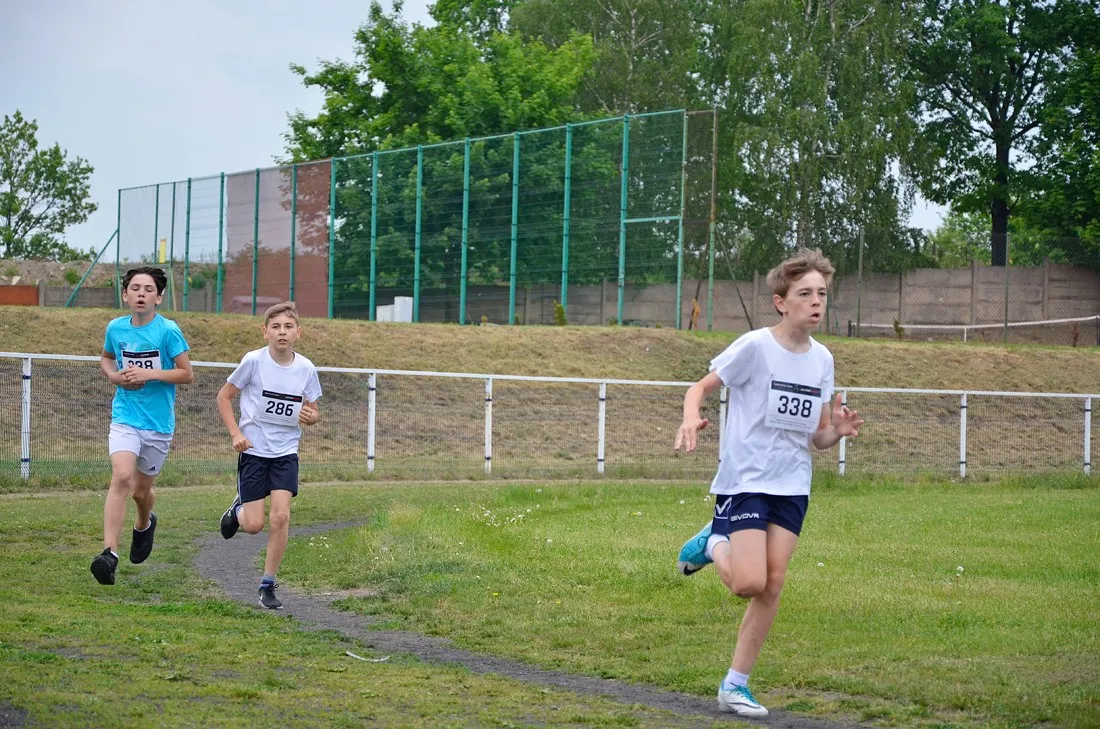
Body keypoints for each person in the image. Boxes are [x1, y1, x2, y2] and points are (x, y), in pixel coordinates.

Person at [673, 248, 864, 718]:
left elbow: (817, 436)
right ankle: (714, 541)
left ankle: (735, 686)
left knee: (772, 584)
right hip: (747, 477)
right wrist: (691, 417)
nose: (816, 302)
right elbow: (699, 388)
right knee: (748, 582)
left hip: (792, 483)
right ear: (781, 302)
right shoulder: (755, 346)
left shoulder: (823, 359)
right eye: (805, 294)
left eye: (822, 294)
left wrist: (837, 432)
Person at [216, 301, 321, 610]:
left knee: (281, 516)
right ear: (265, 332)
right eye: (275, 327)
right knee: (253, 526)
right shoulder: (253, 361)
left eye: (288, 327)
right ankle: (237, 510)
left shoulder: (306, 368)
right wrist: (236, 434)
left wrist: (312, 417)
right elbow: (224, 397)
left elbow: (313, 409)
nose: (282, 332)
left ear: (298, 332)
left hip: (286, 452)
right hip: (254, 451)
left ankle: (268, 584)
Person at [92, 266, 193, 585]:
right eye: (135, 288)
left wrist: (150, 374)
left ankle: (144, 523)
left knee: (140, 492)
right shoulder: (116, 328)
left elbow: (186, 373)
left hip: (158, 424)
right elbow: (106, 358)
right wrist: (114, 376)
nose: (141, 294)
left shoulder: (168, 331)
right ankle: (109, 554)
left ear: (158, 298)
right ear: (125, 295)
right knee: (122, 477)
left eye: (148, 290)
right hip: (125, 417)